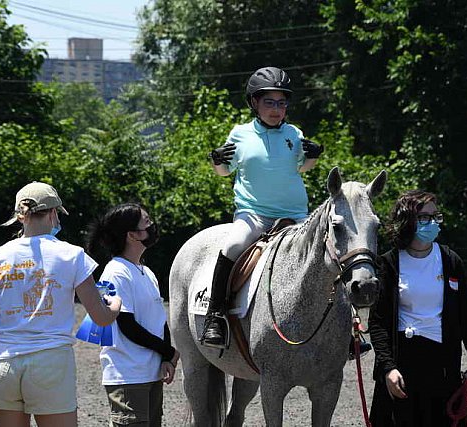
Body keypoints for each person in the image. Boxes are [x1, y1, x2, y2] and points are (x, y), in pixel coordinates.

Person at [0, 181, 122, 427]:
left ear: (21, 216)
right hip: (50, 362)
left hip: (3, 363)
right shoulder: (72, 255)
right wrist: (115, 304)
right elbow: (102, 318)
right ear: (53, 214)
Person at [201, 66, 324, 349]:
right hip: (254, 215)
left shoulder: (294, 132)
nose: (276, 109)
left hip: (295, 216)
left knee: (325, 253)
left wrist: (313, 158)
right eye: (269, 102)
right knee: (232, 246)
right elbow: (223, 172)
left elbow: (301, 167)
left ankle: (350, 326)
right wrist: (217, 160)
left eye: (282, 103)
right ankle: (215, 316)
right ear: (255, 103)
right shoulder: (240, 134)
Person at [368, 190, 467, 426]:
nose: (432, 222)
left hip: (443, 369)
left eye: (435, 216)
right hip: (401, 370)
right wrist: (387, 369)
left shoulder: (451, 261)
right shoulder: (389, 263)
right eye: (424, 217)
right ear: (407, 220)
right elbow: (378, 322)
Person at [86, 203, 180, 427]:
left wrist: (166, 358)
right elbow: (127, 326)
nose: (152, 226)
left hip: (151, 373)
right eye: (147, 223)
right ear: (131, 235)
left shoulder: (146, 271)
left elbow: (158, 319)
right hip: (127, 375)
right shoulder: (115, 271)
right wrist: (168, 351)